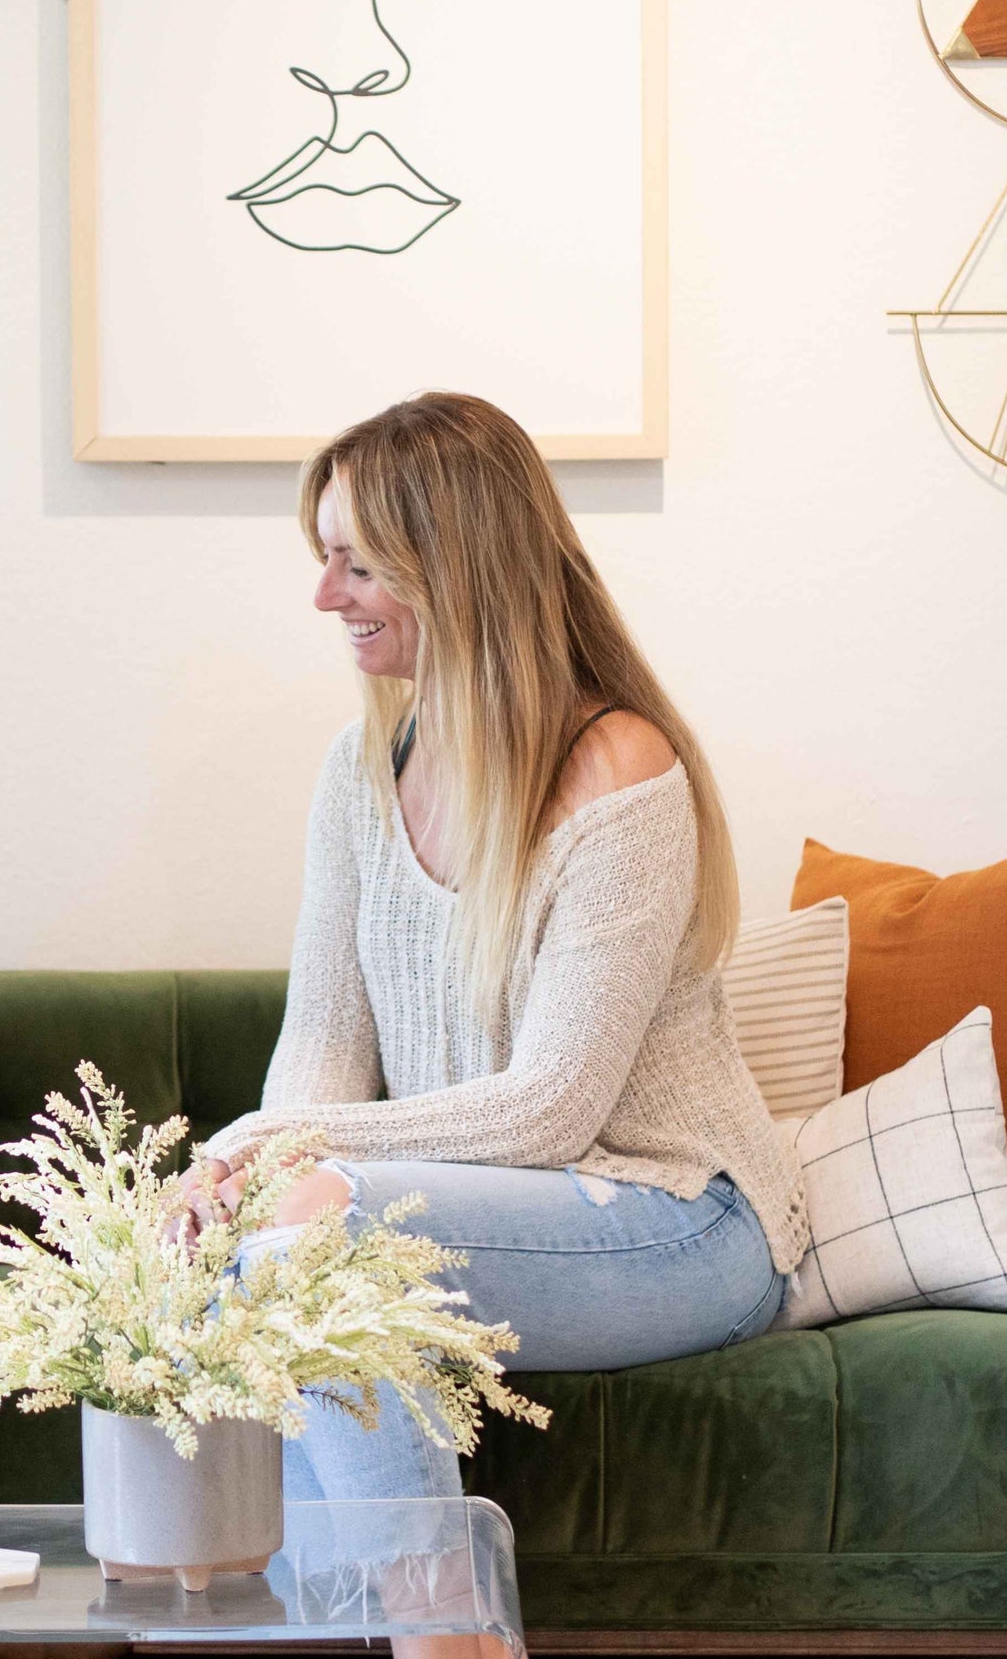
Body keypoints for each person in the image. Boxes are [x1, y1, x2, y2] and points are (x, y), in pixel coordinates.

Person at [187, 391, 807, 1509]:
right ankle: (409, 1606)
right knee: (265, 1258)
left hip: (680, 1222)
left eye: (358, 565)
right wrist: (249, 1178)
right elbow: (323, 1044)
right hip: (485, 1209)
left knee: (317, 1237)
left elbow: (550, 1112)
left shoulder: (619, 770)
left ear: (455, 567)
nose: (326, 596)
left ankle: (421, 1607)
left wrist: (267, 1147)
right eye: (326, 560)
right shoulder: (361, 770)